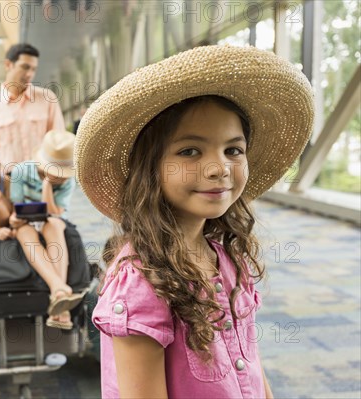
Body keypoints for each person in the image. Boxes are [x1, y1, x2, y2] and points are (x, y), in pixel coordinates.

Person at [75, 45, 314, 398]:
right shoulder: (141, 280)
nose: (219, 168)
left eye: (233, 150)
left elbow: (250, 362)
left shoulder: (226, 256)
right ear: (150, 169)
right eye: (190, 151)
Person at [9, 130, 85, 330]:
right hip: (25, 223)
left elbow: (55, 213)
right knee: (24, 232)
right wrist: (16, 220)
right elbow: (15, 208)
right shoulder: (20, 172)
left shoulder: (68, 182)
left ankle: (57, 294)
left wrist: (47, 186)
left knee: (54, 225)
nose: (62, 178)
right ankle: (61, 294)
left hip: (53, 222)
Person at [0, 43, 65, 172]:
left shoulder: (48, 99)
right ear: (8, 65)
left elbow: (58, 141)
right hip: (8, 184)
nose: (30, 74)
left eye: (34, 69)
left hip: (43, 180)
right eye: (25, 67)